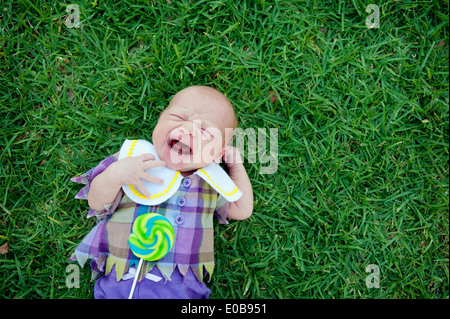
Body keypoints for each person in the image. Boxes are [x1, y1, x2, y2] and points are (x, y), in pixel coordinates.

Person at [70, 85, 253, 298]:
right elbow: (96, 202)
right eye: (177, 117)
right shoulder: (134, 158)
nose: (188, 129)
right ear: (159, 120)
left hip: (182, 287)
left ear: (217, 154)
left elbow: (242, 209)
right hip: (118, 281)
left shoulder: (210, 182)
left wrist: (236, 167)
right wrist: (116, 175)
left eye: (204, 131)